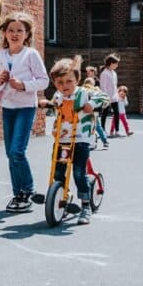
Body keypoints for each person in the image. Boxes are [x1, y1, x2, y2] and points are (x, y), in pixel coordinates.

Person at [0, 11, 49, 213]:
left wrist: (24, 85)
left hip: (26, 107)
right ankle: (17, 194)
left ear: (27, 34)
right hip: (8, 108)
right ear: (4, 33)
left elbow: (44, 80)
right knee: (10, 154)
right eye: (11, 30)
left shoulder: (31, 55)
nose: (15, 34)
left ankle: (27, 191)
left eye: (20, 30)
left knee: (17, 151)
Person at [40, 55, 107, 225]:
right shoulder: (58, 95)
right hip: (63, 138)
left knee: (78, 171)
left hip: (81, 139)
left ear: (77, 79)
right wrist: (45, 103)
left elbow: (104, 97)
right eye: (60, 83)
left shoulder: (85, 92)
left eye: (69, 81)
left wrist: (92, 104)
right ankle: (61, 193)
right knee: (58, 169)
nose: (65, 86)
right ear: (55, 83)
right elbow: (55, 104)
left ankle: (85, 205)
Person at [81, 78, 110, 150]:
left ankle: (90, 142)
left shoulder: (82, 89)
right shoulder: (96, 89)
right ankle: (105, 141)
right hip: (95, 110)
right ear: (92, 83)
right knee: (97, 126)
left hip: (84, 110)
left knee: (85, 126)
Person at [99, 54, 120, 134]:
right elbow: (103, 87)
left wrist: (116, 95)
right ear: (111, 63)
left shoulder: (114, 73)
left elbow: (115, 85)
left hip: (114, 97)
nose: (117, 65)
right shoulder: (104, 73)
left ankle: (117, 130)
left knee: (117, 113)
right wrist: (106, 97)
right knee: (104, 113)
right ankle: (103, 130)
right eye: (116, 64)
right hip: (106, 98)